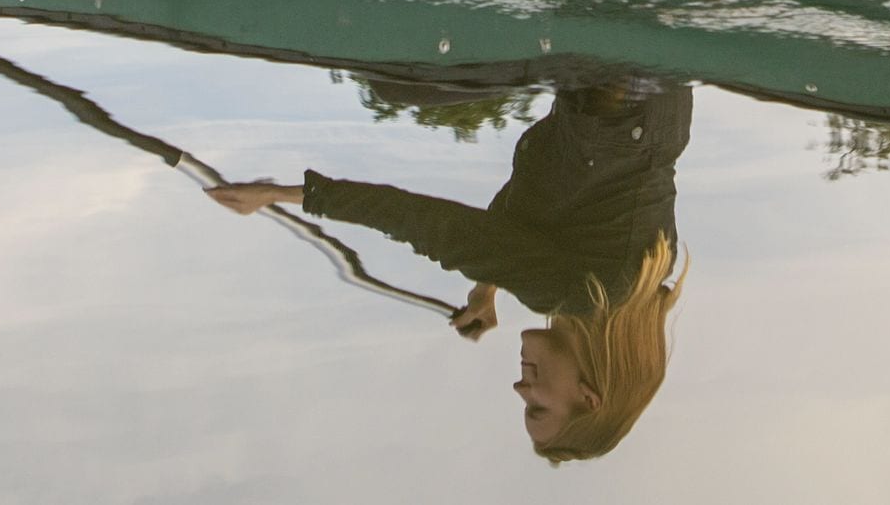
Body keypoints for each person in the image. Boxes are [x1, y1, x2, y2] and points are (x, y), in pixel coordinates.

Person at [209, 79, 695, 462]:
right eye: (536, 406)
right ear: (588, 397)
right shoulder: (574, 292)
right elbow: (434, 227)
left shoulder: (636, 281)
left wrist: (487, 289)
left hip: (646, 94)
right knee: (397, 86)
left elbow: (525, 216)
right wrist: (281, 195)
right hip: (614, 86)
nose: (520, 388)